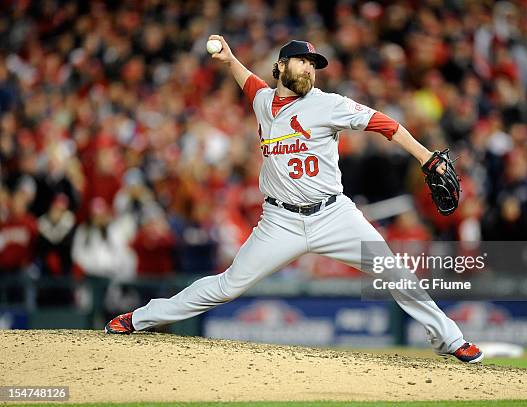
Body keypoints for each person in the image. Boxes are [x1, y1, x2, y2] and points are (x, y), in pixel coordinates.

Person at [105, 36, 483, 363]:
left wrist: (425, 156)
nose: (310, 70)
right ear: (282, 65)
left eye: (315, 65)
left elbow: (384, 123)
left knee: (393, 272)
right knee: (226, 287)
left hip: (334, 215)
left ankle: (451, 339)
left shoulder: (327, 104)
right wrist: (230, 59)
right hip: (279, 222)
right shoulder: (262, 102)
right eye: (304, 61)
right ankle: (139, 319)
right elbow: (248, 82)